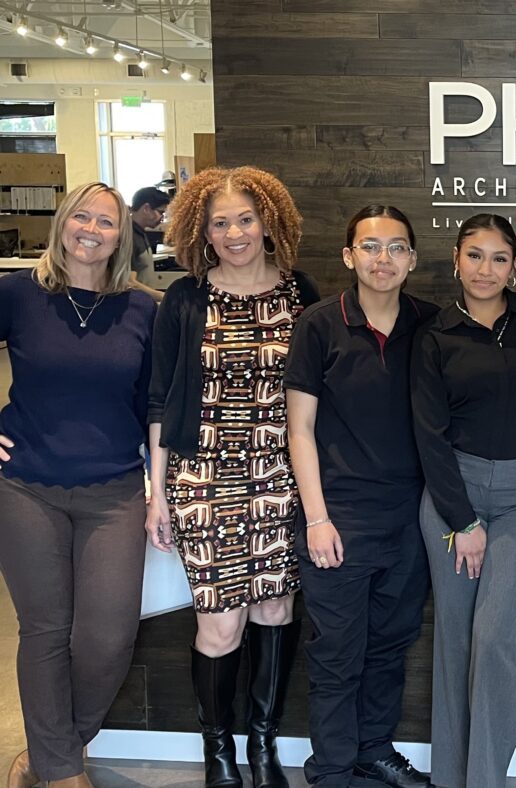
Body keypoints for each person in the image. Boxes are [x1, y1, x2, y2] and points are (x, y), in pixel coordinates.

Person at [145, 166, 319, 788]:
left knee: (275, 607)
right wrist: (157, 493)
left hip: (280, 473)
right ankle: (217, 751)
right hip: (203, 476)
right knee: (220, 624)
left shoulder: (300, 292)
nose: (235, 233)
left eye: (246, 219)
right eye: (220, 223)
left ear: (268, 222)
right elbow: (160, 398)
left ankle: (263, 744)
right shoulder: (185, 299)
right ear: (203, 231)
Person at [0, 182, 155, 788]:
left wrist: (162, 485)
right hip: (25, 487)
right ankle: (64, 772)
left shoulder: (143, 309)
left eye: (106, 222)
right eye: (81, 217)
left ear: (122, 237)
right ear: (63, 223)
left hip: (114, 490)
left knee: (109, 637)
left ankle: (49, 753)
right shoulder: (19, 294)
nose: (92, 229)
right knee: (44, 630)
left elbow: (154, 405)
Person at [284, 205, 438, 787]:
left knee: (390, 645)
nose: (383, 259)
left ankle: (373, 749)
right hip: (339, 518)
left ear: (412, 259)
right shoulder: (320, 324)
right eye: (370, 247)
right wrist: (316, 518)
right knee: (338, 654)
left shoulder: (430, 324)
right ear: (349, 256)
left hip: (411, 518)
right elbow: (299, 429)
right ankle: (330, 770)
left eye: (396, 247)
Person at [411, 214, 516, 788]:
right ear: (456, 259)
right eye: (475, 255)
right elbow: (429, 434)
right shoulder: (434, 334)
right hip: (454, 493)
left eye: (499, 258)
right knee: (453, 638)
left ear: (514, 266)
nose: (485, 269)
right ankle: (450, 779)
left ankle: (485, 779)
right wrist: (463, 521)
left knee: (494, 633)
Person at [129, 185, 170, 302]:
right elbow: (129, 282)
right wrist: (162, 297)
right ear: (146, 208)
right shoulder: (129, 236)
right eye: (160, 212)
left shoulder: (141, 233)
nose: (162, 217)